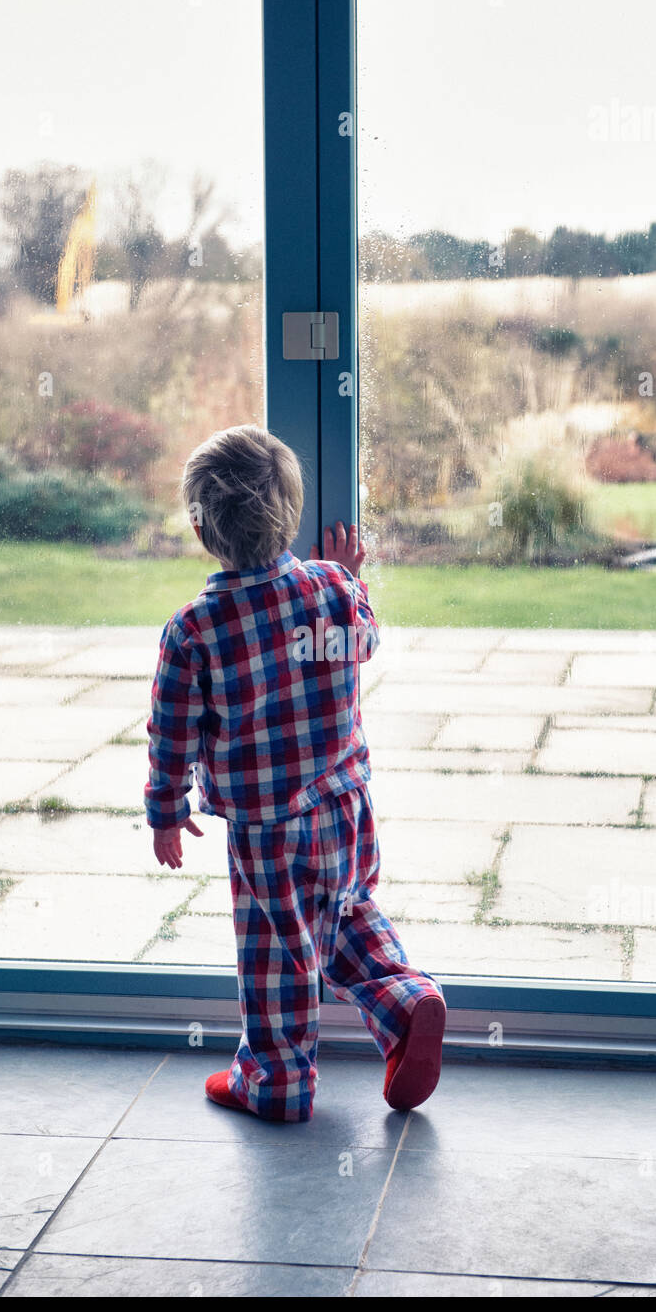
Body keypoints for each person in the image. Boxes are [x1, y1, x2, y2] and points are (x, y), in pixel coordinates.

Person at [144, 423, 446, 1122]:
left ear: (199, 528)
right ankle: (406, 1004)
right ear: (292, 515)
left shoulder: (196, 630)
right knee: (347, 915)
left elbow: (173, 733)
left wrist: (165, 809)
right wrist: (351, 579)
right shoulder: (332, 590)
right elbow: (364, 642)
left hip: (267, 826)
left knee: (279, 952)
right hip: (346, 806)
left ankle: (276, 1084)